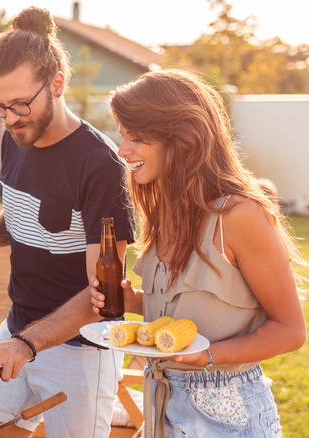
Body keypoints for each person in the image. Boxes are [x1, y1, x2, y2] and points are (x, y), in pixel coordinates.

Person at [0, 7, 135, 437]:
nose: (10, 118)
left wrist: (28, 343)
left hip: (81, 349)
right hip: (16, 328)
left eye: (21, 103)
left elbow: (101, 293)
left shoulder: (100, 167)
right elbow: (20, 215)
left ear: (58, 84)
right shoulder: (15, 137)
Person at [92, 69, 306, 437]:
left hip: (227, 412)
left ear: (181, 137)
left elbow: (290, 331)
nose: (122, 149)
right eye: (122, 135)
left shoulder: (240, 216)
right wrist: (134, 301)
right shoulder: (167, 210)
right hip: (162, 399)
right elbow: (194, 313)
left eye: (136, 137)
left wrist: (208, 357)